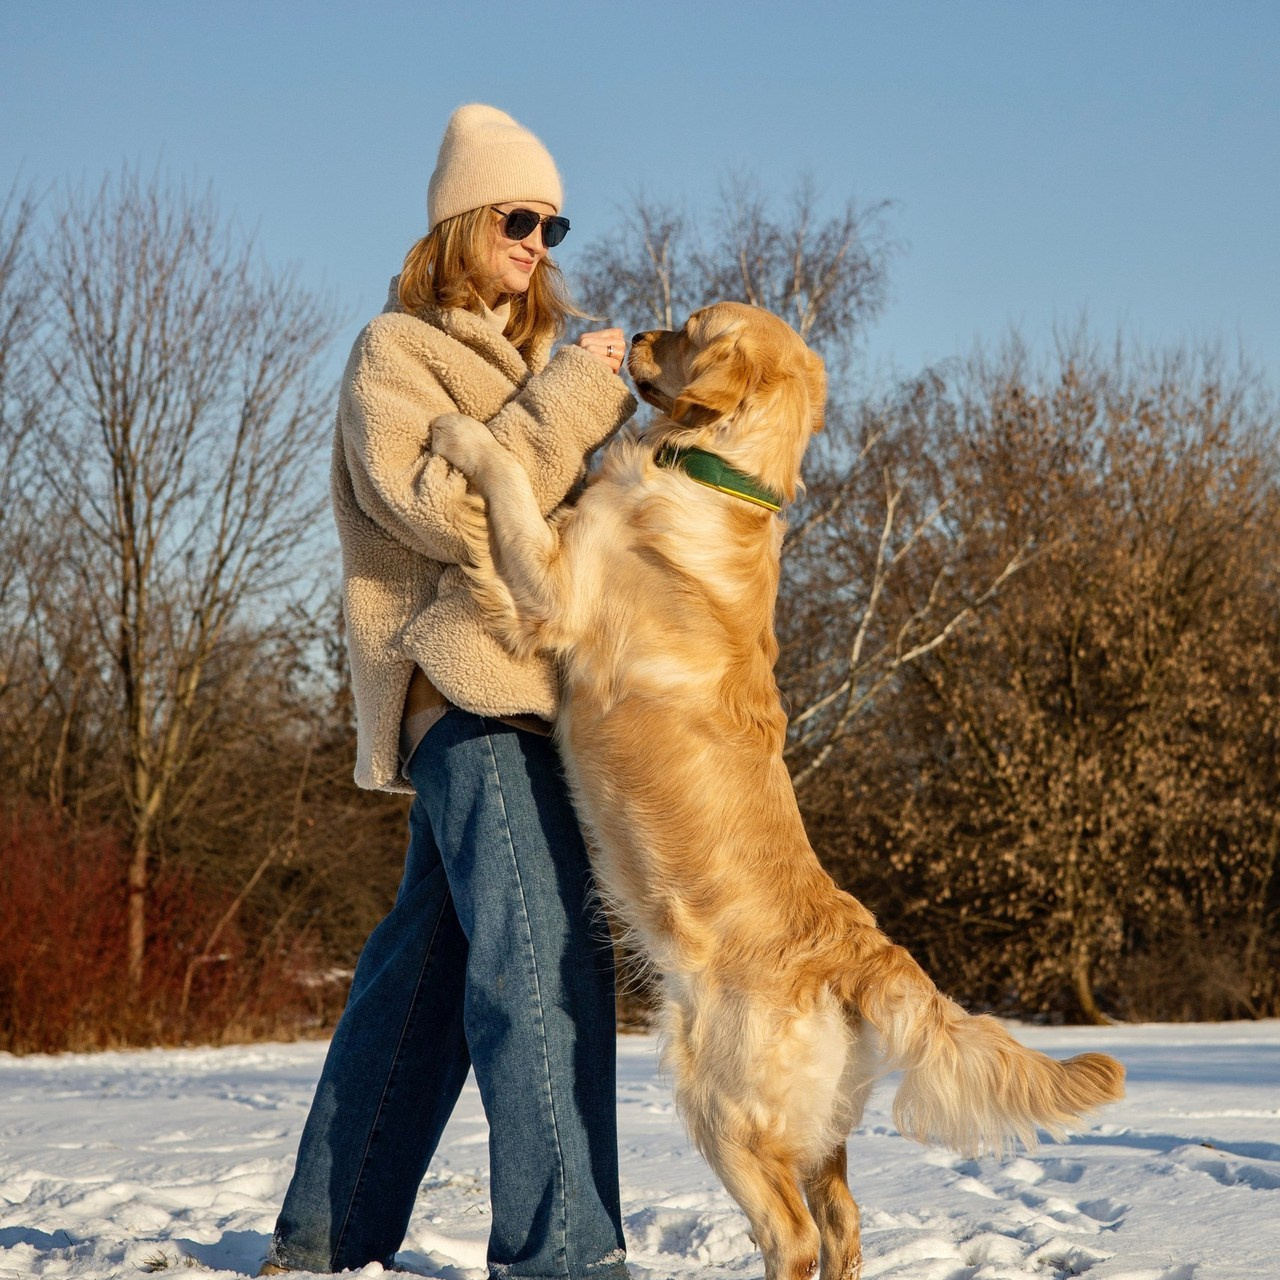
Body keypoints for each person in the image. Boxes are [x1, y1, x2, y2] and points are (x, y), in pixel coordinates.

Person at [261, 104, 635, 1278]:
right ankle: (564, 1258)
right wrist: (572, 402)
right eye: (516, 217)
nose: (536, 241)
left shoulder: (531, 365)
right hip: (469, 700)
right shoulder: (397, 353)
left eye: (550, 222)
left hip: (543, 704)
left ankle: (326, 1232)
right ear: (459, 221)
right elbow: (446, 508)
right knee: (540, 967)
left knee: (423, 976)